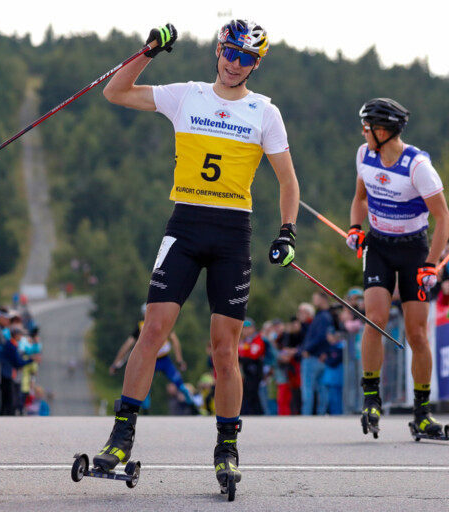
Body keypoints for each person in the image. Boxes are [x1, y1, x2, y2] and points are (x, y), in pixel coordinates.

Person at [93, 19, 300, 493]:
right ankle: (120, 438)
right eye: (229, 52)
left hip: (233, 233)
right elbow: (115, 92)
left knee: (224, 350)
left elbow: (288, 182)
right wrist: (148, 51)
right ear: (218, 50)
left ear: (256, 64)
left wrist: (287, 233)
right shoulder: (185, 94)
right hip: (185, 226)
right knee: (153, 331)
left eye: (245, 58)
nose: (234, 63)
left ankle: (227, 446)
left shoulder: (264, 112)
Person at [347, 98, 449, 438]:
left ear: (384, 131)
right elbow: (361, 197)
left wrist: (430, 264)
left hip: (412, 250)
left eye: (367, 127)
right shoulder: (365, 155)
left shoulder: (417, 166)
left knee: (416, 334)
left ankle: (422, 413)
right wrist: (354, 227)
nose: (363, 133)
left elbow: (443, 219)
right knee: (374, 318)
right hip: (378, 246)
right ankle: (371, 398)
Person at [109, 304, 194, 414]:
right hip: (151, 360)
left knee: (179, 384)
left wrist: (179, 359)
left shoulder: (162, 323)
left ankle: (192, 406)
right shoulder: (141, 326)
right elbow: (128, 345)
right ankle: (146, 410)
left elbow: (175, 341)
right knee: (145, 386)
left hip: (164, 360)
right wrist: (116, 363)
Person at [299, 291, 333, 415]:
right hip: (319, 356)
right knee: (320, 387)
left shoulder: (323, 317)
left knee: (308, 386)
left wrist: (307, 350)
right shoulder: (324, 316)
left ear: (323, 299)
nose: (313, 301)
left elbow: (320, 336)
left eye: (315, 298)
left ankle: (307, 413)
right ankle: (321, 412)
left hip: (313, 356)